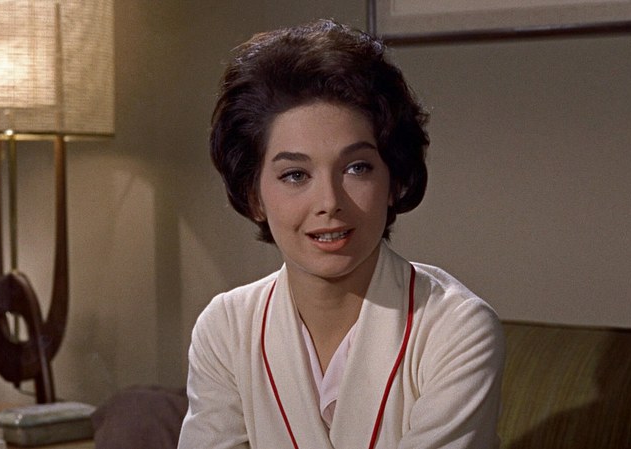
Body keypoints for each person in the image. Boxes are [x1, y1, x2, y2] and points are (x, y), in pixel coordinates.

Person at [178, 19, 504, 449]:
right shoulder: (226, 328)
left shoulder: (456, 329)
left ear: (395, 181)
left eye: (356, 168)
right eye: (295, 175)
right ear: (254, 197)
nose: (329, 202)